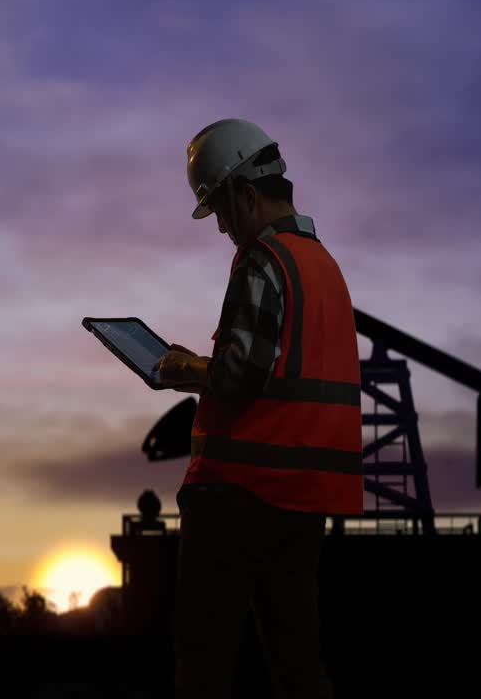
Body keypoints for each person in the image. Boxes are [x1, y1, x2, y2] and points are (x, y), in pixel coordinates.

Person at [155, 119, 363, 699]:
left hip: (238, 495)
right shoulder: (325, 268)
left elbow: (239, 375)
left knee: (204, 667)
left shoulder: (261, 259)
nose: (222, 228)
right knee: (299, 665)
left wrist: (183, 369)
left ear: (245, 195)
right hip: (303, 500)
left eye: (220, 211)